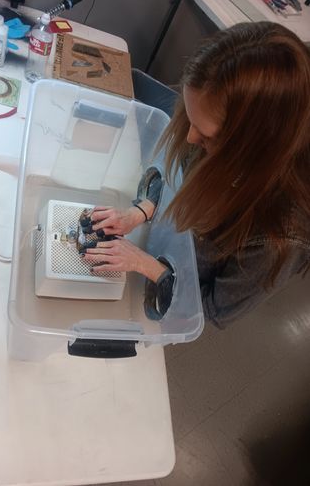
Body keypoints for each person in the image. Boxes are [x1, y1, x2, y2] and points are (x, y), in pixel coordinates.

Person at [81, 21, 310, 328]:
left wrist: (145, 265)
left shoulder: (280, 237)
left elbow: (211, 310)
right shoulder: (207, 120)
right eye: (189, 119)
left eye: (207, 136)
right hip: (159, 256)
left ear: (255, 145)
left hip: (169, 305)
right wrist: (141, 211)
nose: (190, 139)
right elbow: (177, 174)